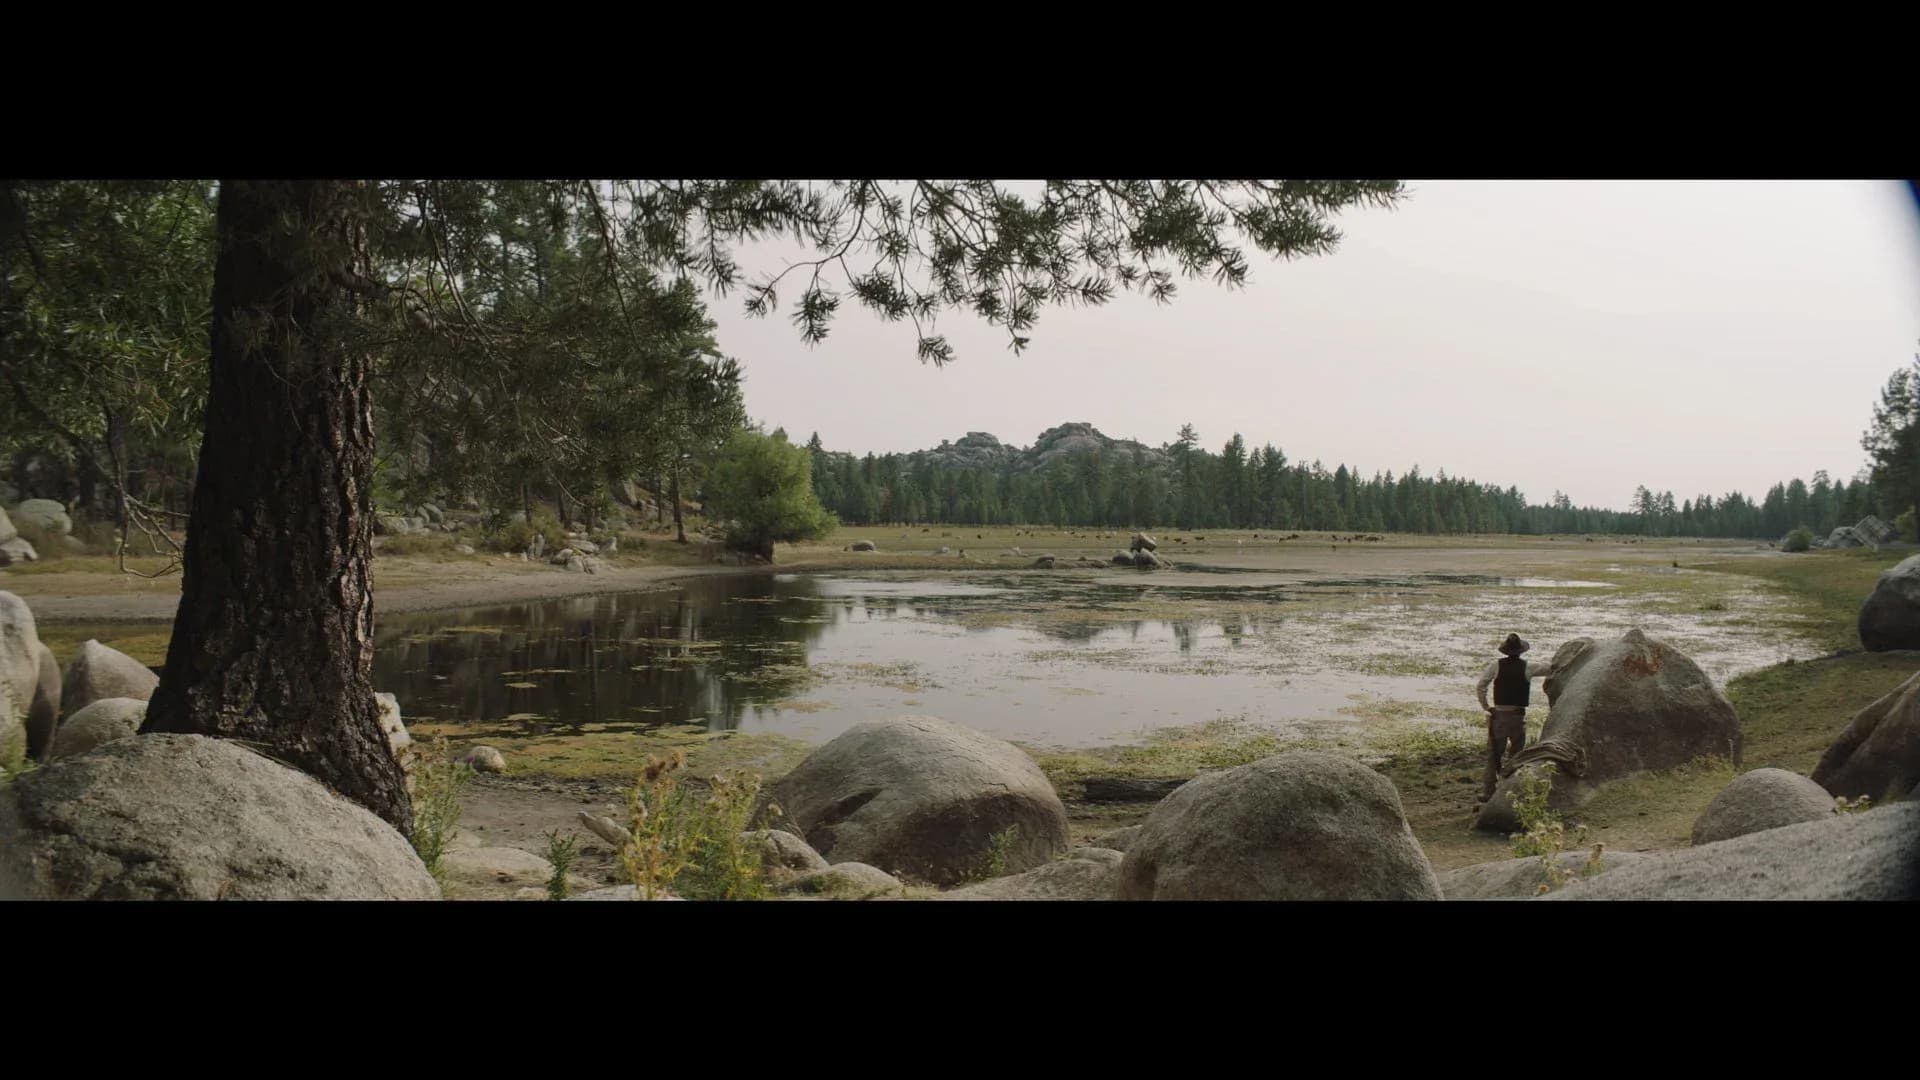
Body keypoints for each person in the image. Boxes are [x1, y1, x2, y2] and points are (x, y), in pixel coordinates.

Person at [1475, 633, 1548, 801]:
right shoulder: (1528, 667)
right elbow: (1550, 668)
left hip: (1498, 716)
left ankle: (1488, 792)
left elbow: (1481, 686)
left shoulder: (1496, 666)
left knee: (1494, 755)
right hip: (1517, 717)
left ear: (1505, 651)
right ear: (1521, 651)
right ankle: (1511, 790)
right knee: (1517, 755)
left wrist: (1486, 707)